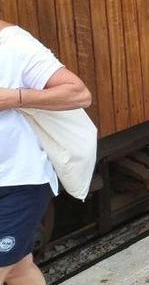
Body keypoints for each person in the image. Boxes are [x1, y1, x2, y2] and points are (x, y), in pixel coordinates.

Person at [0, 21, 92, 285]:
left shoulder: (14, 44)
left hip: (17, 181)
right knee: (18, 270)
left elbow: (79, 94)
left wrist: (14, 97)